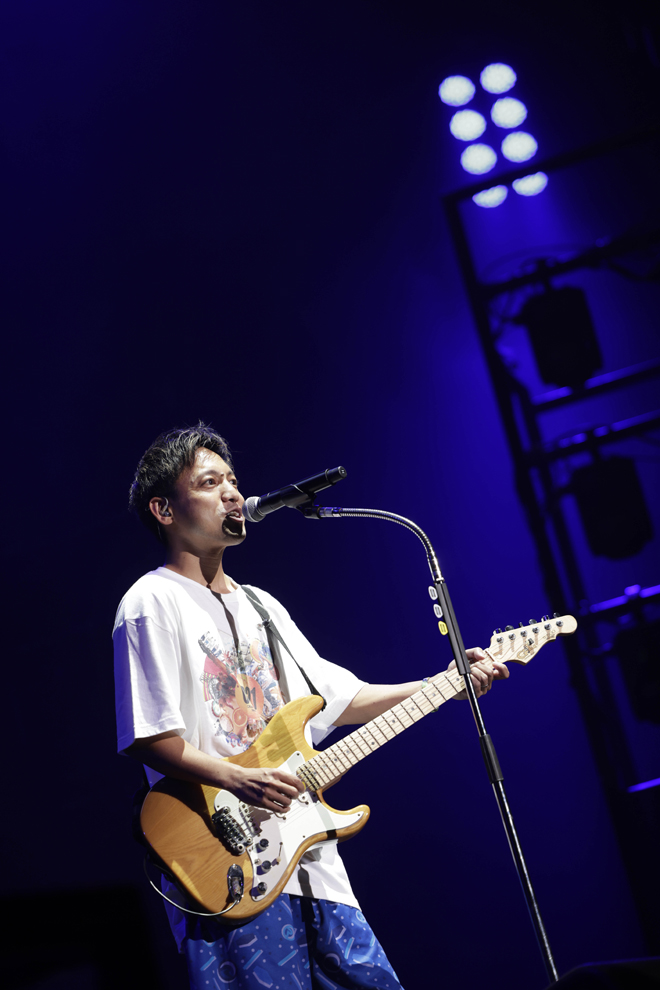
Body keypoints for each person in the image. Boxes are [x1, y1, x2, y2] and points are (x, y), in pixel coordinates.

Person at [113, 423, 508, 990]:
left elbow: (341, 699)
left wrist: (446, 682)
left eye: (232, 480)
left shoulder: (262, 606)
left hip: (316, 866)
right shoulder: (151, 602)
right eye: (209, 483)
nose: (232, 493)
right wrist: (237, 779)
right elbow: (150, 736)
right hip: (227, 866)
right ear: (164, 509)